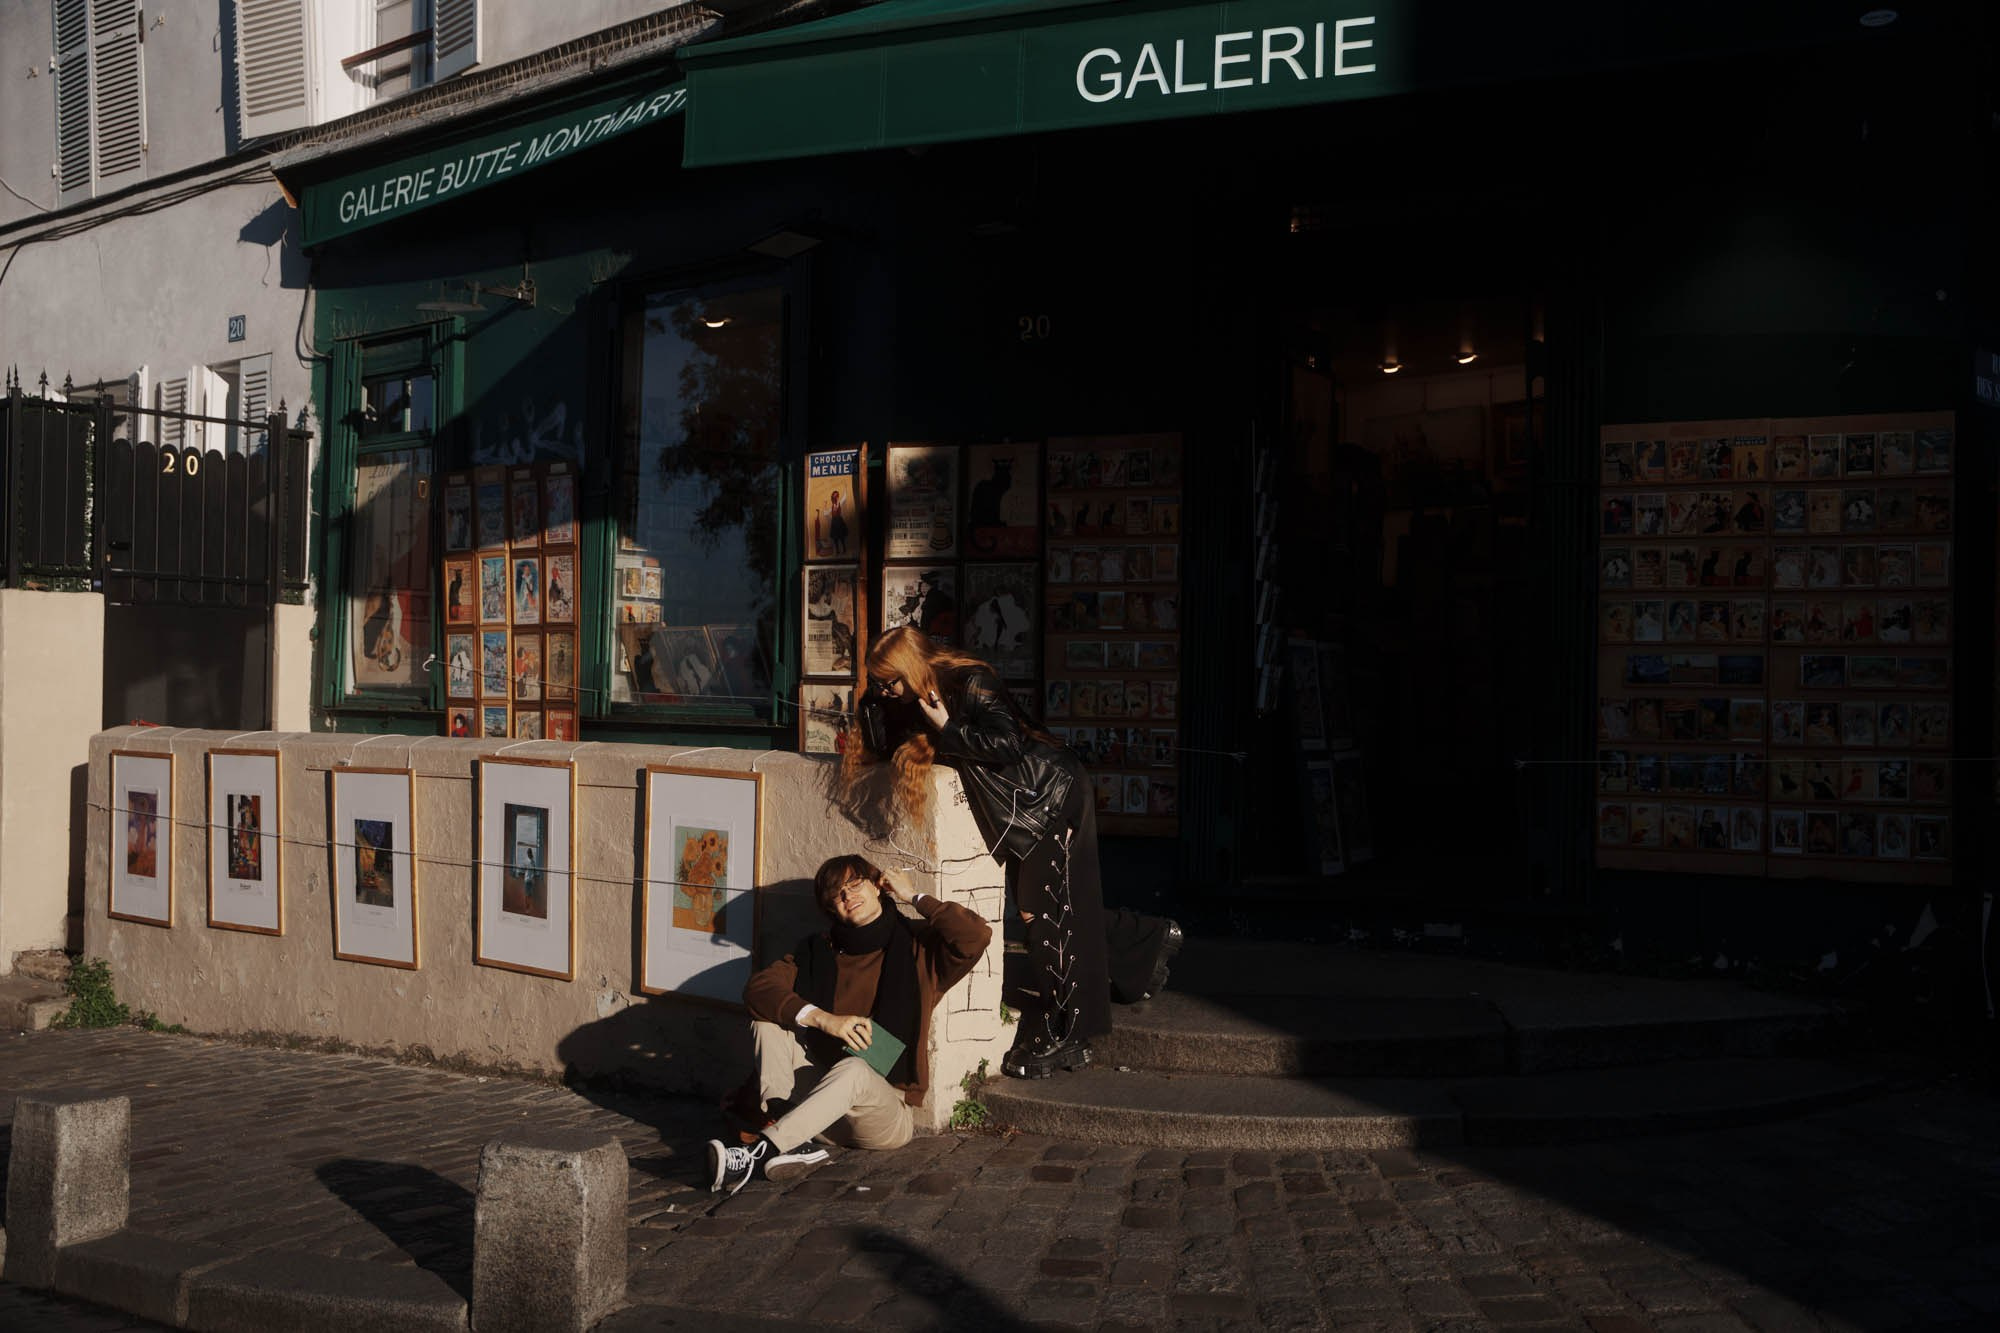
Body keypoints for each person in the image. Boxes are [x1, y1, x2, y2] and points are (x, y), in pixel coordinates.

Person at [845, 627, 1181, 1080]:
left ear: (909, 667)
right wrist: (873, 704)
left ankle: (1070, 1031)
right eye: (878, 683)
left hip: (1049, 796)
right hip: (1019, 806)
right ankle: (1147, 940)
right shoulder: (908, 699)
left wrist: (948, 726)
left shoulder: (971, 681)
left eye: (889, 681)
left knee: (1041, 912)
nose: (885, 690)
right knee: (1055, 905)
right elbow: (886, 749)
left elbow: (1009, 745)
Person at [709, 855, 990, 1196]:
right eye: (835, 895)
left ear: (877, 885)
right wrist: (825, 1020)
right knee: (768, 1024)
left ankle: (761, 1153)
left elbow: (975, 935)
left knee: (855, 1070)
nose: (846, 897)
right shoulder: (818, 950)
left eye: (854, 885)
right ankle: (788, 1130)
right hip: (819, 1109)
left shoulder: (921, 948)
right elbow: (758, 990)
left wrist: (912, 896)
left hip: (881, 1115)